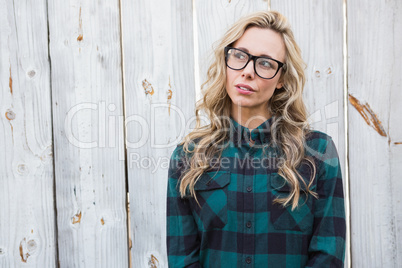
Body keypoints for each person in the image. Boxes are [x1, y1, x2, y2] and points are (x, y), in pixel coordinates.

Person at [166, 10, 346, 268]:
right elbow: (183, 259)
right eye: (240, 56)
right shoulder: (187, 157)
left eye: (265, 63)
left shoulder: (318, 151)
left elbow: (327, 256)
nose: (248, 71)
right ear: (226, 62)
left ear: (281, 79)